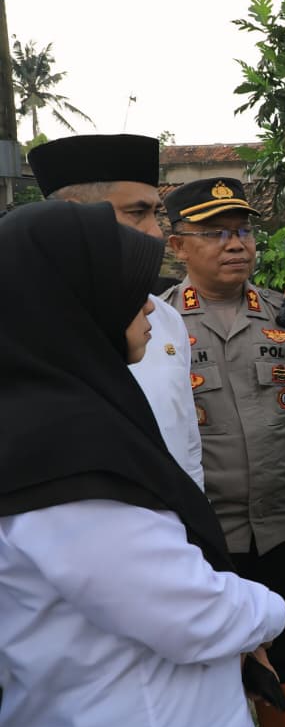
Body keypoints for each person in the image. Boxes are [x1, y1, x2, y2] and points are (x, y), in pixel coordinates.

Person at [0, 201, 285, 727]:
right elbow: (186, 611)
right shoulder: (63, 455)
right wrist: (268, 610)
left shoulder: (56, 416)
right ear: (73, 302)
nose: (151, 309)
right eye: (128, 288)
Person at [162, 177, 285, 727]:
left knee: (283, 658)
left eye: (243, 230)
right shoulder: (156, 329)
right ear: (177, 245)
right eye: (214, 233)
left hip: (282, 527)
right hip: (201, 539)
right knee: (208, 662)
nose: (236, 244)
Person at [27, 133, 205, 488]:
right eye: (136, 213)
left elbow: (186, 447)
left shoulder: (165, 320)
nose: (156, 232)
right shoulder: (22, 330)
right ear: (74, 215)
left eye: (155, 213)